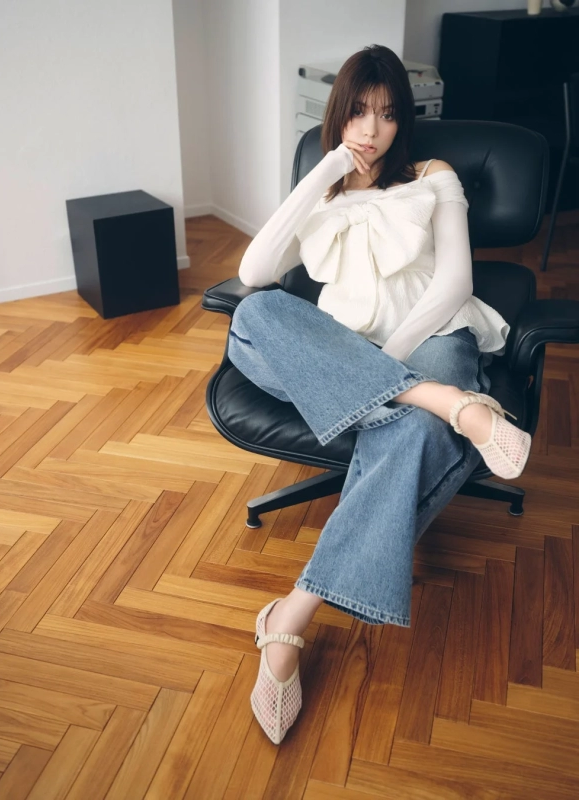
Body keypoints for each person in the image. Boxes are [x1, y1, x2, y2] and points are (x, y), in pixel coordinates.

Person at [229, 44, 531, 745]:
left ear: (405, 122)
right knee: (254, 316)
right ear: (339, 114)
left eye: (388, 114)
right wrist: (330, 167)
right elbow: (253, 268)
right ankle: (452, 405)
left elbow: (454, 285)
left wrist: (381, 375)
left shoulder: (433, 175)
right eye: (359, 113)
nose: (372, 129)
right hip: (350, 357)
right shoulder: (327, 186)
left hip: (429, 342)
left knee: (410, 429)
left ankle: (289, 622)